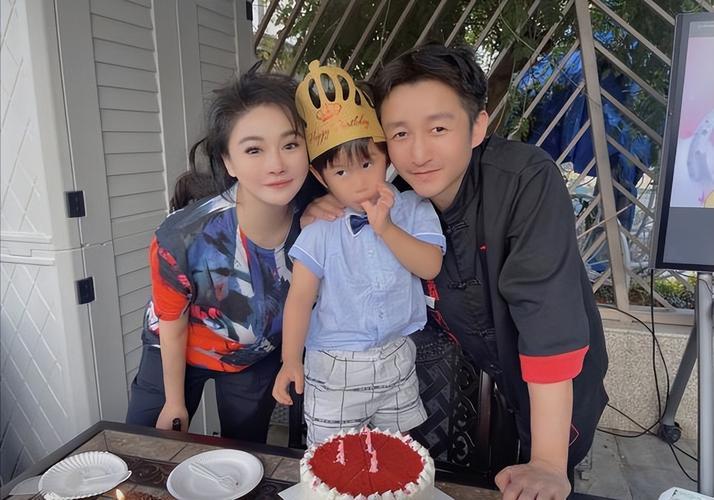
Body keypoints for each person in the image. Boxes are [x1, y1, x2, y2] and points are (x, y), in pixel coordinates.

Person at [306, 45, 609, 499]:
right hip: (479, 382)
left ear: (477, 126)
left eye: (439, 128)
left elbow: (547, 319)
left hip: (555, 394)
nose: (419, 153)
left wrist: (548, 462)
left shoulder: (524, 181)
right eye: (400, 133)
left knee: (536, 481)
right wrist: (322, 205)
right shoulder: (393, 194)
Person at [125, 67, 311, 443]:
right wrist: (174, 402)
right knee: (146, 446)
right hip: (174, 348)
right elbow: (173, 324)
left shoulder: (318, 223)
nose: (276, 164)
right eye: (254, 149)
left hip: (253, 356)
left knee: (244, 456)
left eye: (290, 145)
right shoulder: (182, 237)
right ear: (228, 161)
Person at [271, 61, 445, 446]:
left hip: (397, 356)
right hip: (334, 365)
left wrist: (387, 228)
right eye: (341, 173)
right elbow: (300, 298)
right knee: (334, 459)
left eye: (368, 163)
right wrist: (290, 359)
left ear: (387, 156)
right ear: (320, 176)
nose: (359, 181)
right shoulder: (320, 227)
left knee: (394, 453)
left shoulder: (413, 208)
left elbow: (430, 264)